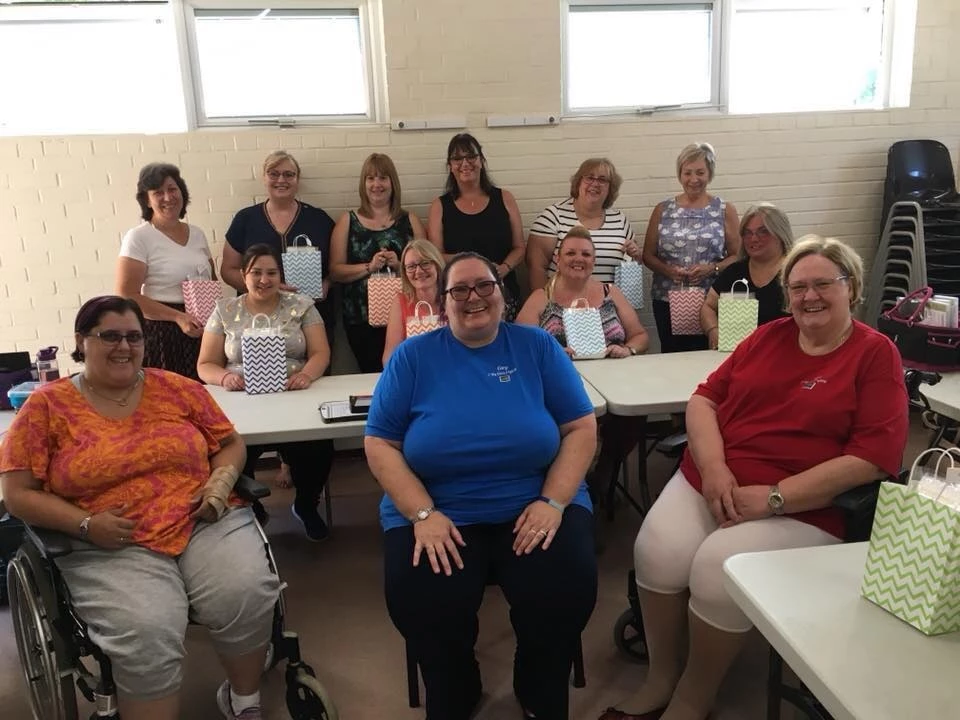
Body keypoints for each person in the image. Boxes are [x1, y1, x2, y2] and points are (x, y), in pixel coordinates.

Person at [600, 236, 908, 720]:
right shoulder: (768, 337)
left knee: (716, 568)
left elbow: (872, 457)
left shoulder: (875, 354)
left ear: (852, 287)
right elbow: (704, 400)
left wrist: (776, 499)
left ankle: (692, 697)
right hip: (716, 474)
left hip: (804, 499)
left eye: (823, 284)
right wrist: (716, 468)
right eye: (798, 286)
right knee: (655, 552)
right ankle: (661, 678)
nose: (809, 296)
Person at [0, 295, 278, 720]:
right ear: (81, 341)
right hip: (110, 541)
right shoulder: (46, 406)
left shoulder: (177, 387)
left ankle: (243, 700)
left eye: (134, 336)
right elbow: (16, 493)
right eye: (109, 336)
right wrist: (86, 524)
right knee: (147, 627)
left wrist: (219, 485)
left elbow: (229, 443)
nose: (124, 346)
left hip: (201, 518)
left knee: (243, 591)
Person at [365, 252, 599, 720]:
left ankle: (537, 683)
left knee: (562, 589)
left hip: (534, 502)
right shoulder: (413, 357)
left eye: (484, 286)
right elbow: (380, 444)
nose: (473, 298)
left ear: (502, 293)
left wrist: (553, 502)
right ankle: (456, 685)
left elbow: (581, 429)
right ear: (443, 300)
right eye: (460, 290)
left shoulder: (537, 347)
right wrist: (423, 515)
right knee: (425, 602)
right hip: (437, 509)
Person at [197, 245, 334, 542]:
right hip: (242, 400)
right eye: (256, 272)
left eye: (271, 272)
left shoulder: (301, 304)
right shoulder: (225, 309)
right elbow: (205, 365)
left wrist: (306, 375)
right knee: (229, 449)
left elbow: (321, 352)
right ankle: (250, 506)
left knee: (319, 447)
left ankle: (307, 504)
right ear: (243, 276)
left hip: (295, 395)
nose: (264, 279)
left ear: (280, 275)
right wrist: (226, 377)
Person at [517, 226, 649, 522]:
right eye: (571, 253)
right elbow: (519, 346)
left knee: (631, 416)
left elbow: (640, 335)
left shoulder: (609, 292)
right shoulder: (542, 297)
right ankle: (574, 484)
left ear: (594, 260)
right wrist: (550, 355)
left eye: (586, 254)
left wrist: (628, 349)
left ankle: (603, 474)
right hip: (562, 386)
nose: (579, 259)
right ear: (558, 258)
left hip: (614, 382)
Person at [221, 151, 336, 347]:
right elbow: (227, 270)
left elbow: (337, 266)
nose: (281, 180)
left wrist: (327, 283)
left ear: (297, 179)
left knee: (313, 372)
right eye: (273, 173)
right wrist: (266, 286)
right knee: (262, 372)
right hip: (258, 318)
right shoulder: (246, 219)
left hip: (310, 316)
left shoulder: (319, 220)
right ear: (264, 178)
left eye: (289, 174)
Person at [115, 163, 215, 380]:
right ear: (147, 200)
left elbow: (211, 280)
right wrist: (178, 317)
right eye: (158, 192)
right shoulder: (139, 237)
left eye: (172, 189)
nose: (168, 197)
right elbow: (126, 294)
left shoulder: (197, 234)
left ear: (182, 192)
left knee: (205, 401)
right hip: (164, 333)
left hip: (204, 330)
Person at [330, 152, 426, 372]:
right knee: (371, 373)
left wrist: (400, 264)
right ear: (363, 184)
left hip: (408, 314)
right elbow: (335, 272)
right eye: (370, 178)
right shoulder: (348, 221)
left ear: (393, 183)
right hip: (361, 318)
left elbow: (430, 267)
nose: (377, 184)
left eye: (383, 178)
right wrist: (368, 267)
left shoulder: (410, 221)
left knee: (409, 371)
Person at [642, 143, 741, 353]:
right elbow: (648, 256)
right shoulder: (662, 209)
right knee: (672, 355)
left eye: (700, 172)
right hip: (667, 298)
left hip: (711, 301)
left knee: (711, 354)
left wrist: (712, 269)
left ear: (710, 174)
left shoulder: (724, 210)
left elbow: (738, 255)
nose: (693, 179)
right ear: (680, 174)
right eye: (687, 172)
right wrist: (669, 271)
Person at [427, 133, 525, 320]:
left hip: (503, 292)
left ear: (481, 161)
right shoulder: (439, 206)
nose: (465, 163)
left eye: (471, 156)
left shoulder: (505, 198)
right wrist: (470, 263)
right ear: (450, 166)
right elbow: (435, 255)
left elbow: (520, 248)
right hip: (461, 297)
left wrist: (504, 268)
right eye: (457, 158)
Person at [526, 158, 640, 291]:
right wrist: (545, 305)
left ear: (610, 188)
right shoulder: (553, 216)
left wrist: (635, 254)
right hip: (563, 306)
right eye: (589, 178)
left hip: (609, 306)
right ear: (578, 182)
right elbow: (536, 267)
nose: (595, 184)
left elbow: (634, 262)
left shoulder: (620, 220)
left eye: (602, 180)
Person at [700, 203, 794, 349]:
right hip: (741, 356)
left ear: (780, 233)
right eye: (747, 233)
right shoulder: (734, 272)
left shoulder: (796, 273)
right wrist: (713, 330)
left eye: (763, 232)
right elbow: (708, 306)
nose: (754, 239)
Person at [382, 239, 446, 365]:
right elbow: (389, 357)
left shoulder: (453, 297)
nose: (419, 271)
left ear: (437, 264)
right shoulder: (400, 302)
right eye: (411, 267)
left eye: (425, 263)